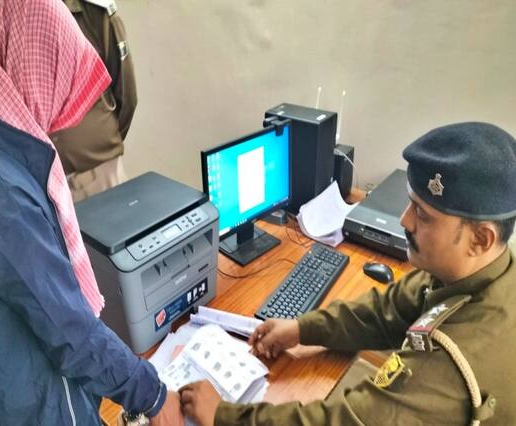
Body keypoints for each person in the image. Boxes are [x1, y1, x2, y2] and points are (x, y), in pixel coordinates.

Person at [179, 122, 516, 425]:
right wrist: (301, 329)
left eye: (423, 215)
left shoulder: (448, 364)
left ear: (480, 239)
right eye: (411, 203)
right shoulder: (475, 273)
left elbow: (347, 421)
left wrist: (223, 416)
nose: (404, 221)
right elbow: (385, 313)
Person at [0, 0, 183, 424]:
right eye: (55, 94)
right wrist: (151, 394)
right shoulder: (0, 190)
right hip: (33, 405)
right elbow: (68, 331)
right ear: (34, 72)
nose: (55, 122)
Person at [51, 0, 138, 203]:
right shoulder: (13, 14)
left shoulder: (93, 11)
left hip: (96, 173)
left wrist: (97, 145)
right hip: (44, 184)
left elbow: (126, 96)